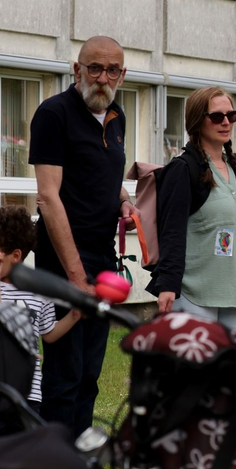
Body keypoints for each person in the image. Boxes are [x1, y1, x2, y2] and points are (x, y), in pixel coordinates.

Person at [29, 36, 138, 436]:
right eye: (94, 68)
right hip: (63, 261)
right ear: (77, 70)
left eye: (112, 70)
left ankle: (77, 455)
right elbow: (48, 196)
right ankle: (52, 456)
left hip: (103, 257)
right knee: (65, 374)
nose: (103, 78)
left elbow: (102, 175)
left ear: (122, 75)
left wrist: (123, 201)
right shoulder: (53, 114)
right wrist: (76, 278)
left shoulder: (117, 117)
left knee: (90, 373)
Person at [150, 87, 236, 332]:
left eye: (231, 115)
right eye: (216, 116)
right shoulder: (183, 169)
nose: (226, 122)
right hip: (195, 293)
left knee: (228, 358)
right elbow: (171, 232)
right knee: (196, 358)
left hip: (234, 293)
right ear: (197, 120)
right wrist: (167, 285)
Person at [0, 206, 81, 414]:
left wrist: (75, 314)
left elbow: (49, 333)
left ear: (15, 255)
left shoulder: (38, 292)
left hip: (29, 392)